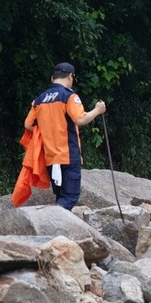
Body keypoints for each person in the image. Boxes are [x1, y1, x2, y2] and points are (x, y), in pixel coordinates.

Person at [23, 62, 106, 210]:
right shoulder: (69, 96)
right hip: (68, 155)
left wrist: (47, 127)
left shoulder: (39, 100)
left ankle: (55, 226)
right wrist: (97, 110)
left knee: (61, 196)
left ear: (52, 78)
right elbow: (80, 119)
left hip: (50, 157)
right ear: (70, 76)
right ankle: (50, 220)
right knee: (70, 197)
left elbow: (28, 125)